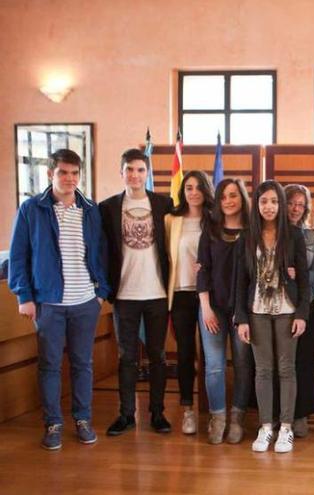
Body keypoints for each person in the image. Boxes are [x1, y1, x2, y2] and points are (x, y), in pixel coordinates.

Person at [9, 149, 110, 450]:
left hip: (85, 302)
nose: (69, 178)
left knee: (83, 364)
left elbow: (101, 252)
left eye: (74, 173)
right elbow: (18, 256)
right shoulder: (31, 209)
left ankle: (83, 419)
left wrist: (100, 292)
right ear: (50, 174)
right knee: (50, 365)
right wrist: (24, 296)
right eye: (63, 172)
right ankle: (53, 424)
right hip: (49, 303)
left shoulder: (90, 209)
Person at [100, 148, 173, 436]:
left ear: (147, 173)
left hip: (157, 293)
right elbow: (100, 250)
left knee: (157, 356)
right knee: (126, 357)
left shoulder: (164, 204)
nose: (135, 175)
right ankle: (126, 414)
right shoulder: (107, 208)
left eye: (140, 170)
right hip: (124, 295)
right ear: (122, 173)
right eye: (129, 169)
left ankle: (157, 413)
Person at [235, 181, 310, 453]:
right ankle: (266, 426)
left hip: (287, 311)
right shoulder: (247, 236)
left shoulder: (294, 235)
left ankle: (286, 428)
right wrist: (241, 318)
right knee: (263, 370)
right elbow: (240, 281)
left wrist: (302, 313)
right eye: (264, 201)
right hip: (256, 312)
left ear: (281, 205)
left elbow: (304, 280)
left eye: (274, 202)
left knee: (286, 369)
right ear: (257, 204)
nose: (269, 207)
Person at [197, 177, 254, 444]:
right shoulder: (210, 229)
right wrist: (205, 308)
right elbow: (203, 270)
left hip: (244, 312)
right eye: (223, 196)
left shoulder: (253, 231)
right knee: (214, 367)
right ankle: (217, 417)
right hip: (213, 309)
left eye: (234, 195)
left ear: (242, 197)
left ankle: (237, 417)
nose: (229, 201)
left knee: (243, 365)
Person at [164, 170, 214, 435]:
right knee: (185, 353)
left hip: (210, 296)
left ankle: (213, 408)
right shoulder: (172, 220)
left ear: (206, 190)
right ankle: (188, 410)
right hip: (182, 293)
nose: (193, 192)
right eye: (188, 187)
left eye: (198, 187)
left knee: (211, 354)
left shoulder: (214, 220)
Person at [285, 184, 314, 438]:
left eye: (301, 204)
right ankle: (278, 415)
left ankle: (300, 415)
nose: (296, 209)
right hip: (276, 307)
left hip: (305, 304)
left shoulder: (311, 237)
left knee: (303, 363)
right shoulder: (270, 233)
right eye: (291, 203)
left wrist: (299, 277)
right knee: (279, 364)